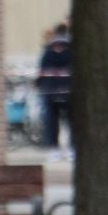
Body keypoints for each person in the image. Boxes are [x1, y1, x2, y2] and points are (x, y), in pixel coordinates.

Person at [36, 22, 73, 153]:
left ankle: (53, 148)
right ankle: (72, 148)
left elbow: (42, 69)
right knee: (71, 120)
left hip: (50, 90)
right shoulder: (72, 48)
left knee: (52, 120)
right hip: (69, 90)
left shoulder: (48, 48)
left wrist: (39, 84)